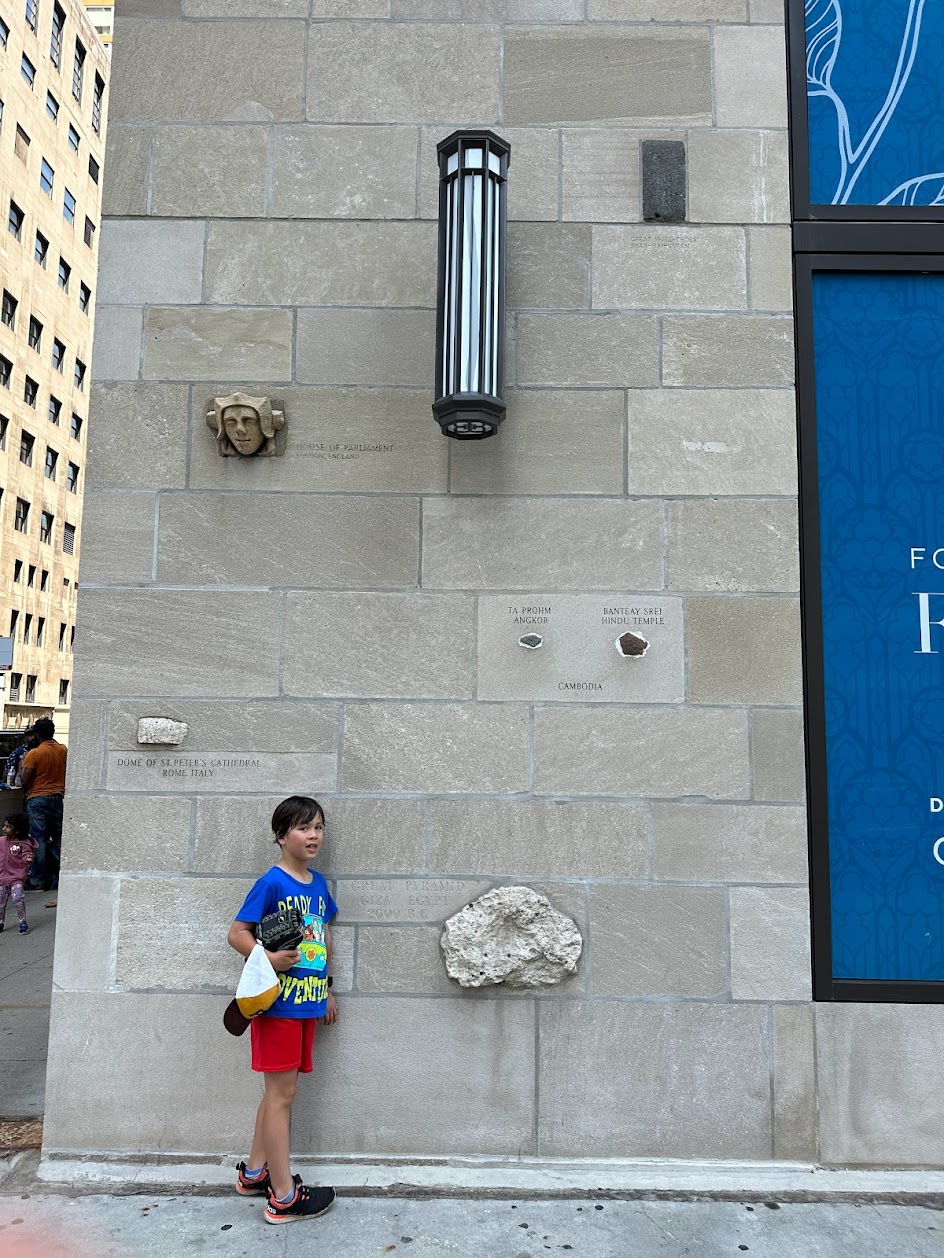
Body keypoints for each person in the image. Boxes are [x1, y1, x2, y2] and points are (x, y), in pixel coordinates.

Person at [226, 795, 338, 1225]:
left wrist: (326, 989)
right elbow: (237, 933)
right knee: (282, 1096)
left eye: (319, 827)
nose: (313, 836)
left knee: (278, 1094)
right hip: (278, 1006)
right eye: (303, 828)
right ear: (280, 836)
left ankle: (255, 1173)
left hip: (308, 1000)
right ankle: (284, 1196)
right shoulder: (271, 882)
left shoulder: (319, 884)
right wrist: (268, 959)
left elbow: (322, 939)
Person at [20, 718, 66, 902]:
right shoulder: (63, 750)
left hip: (38, 798)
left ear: (37, 734)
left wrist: (23, 765)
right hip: (58, 797)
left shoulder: (35, 753)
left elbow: (24, 780)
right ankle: (58, 877)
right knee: (58, 838)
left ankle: (38, 880)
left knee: (38, 840)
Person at [0, 813, 37, 935]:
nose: (4, 829)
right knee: (1, 901)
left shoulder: (23, 843)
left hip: (17, 877)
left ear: (17, 830)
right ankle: (0, 921)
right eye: (4, 826)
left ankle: (22, 921)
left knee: (18, 899)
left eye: (8, 827)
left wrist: (28, 858)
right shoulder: (1, 841)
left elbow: (27, 855)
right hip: (2, 877)